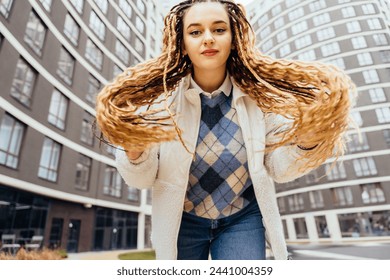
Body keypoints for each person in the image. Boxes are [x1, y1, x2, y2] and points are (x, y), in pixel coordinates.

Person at [95, 0, 356, 260]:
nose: (208, 39)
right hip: (182, 222)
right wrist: (135, 151)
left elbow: (279, 168)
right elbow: (140, 179)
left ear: (233, 39)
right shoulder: (160, 104)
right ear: (183, 46)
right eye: (195, 32)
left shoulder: (260, 101)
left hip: (241, 219)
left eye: (219, 30)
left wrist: (306, 143)